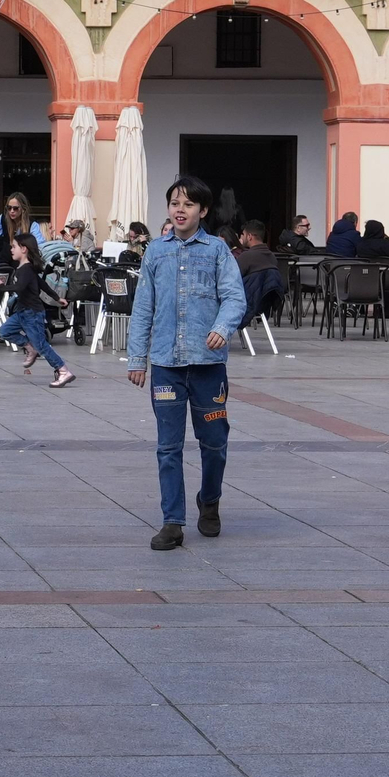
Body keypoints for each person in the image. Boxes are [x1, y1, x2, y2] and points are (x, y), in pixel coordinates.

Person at [127, 176, 246, 551]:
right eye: (175, 203)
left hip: (208, 365)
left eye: (189, 204)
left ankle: (209, 501)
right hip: (165, 364)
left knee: (214, 442)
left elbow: (234, 298)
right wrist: (137, 358)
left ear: (203, 211)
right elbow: (143, 307)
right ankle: (172, 522)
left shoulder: (216, 251)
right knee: (168, 446)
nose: (180, 209)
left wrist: (222, 328)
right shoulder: (155, 252)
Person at [0, 233, 76, 389]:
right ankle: (29, 347)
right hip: (22, 312)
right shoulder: (25, 268)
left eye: (14, 246)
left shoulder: (26, 269)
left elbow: (20, 288)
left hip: (32, 314)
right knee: (4, 331)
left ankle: (63, 370)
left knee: (42, 345)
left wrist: (2, 287)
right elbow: (42, 284)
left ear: (24, 249)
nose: (11, 249)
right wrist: (56, 297)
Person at [235, 220, 286, 329]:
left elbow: (233, 280)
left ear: (249, 236)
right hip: (263, 303)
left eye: (243, 234)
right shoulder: (272, 257)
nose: (241, 237)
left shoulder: (246, 257)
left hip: (245, 304)